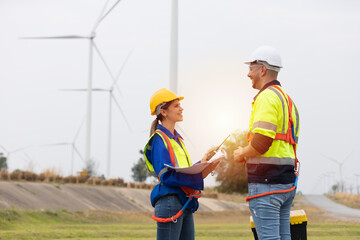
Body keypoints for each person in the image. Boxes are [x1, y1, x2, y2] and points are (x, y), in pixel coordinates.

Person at [233, 46, 300, 240]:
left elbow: (261, 144)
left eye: (251, 68)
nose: (248, 74)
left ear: (262, 70)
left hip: (267, 182)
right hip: (286, 182)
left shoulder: (266, 98)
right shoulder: (287, 100)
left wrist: (241, 153)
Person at [144, 88, 218, 240]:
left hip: (183, 201)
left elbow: (185, 170)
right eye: (176, 105)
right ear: (164, 112)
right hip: (170, 201)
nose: (181, 108)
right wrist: (195, 179)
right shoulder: (159, 139)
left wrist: (204, 162)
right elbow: (166, 175)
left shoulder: (177, 140)